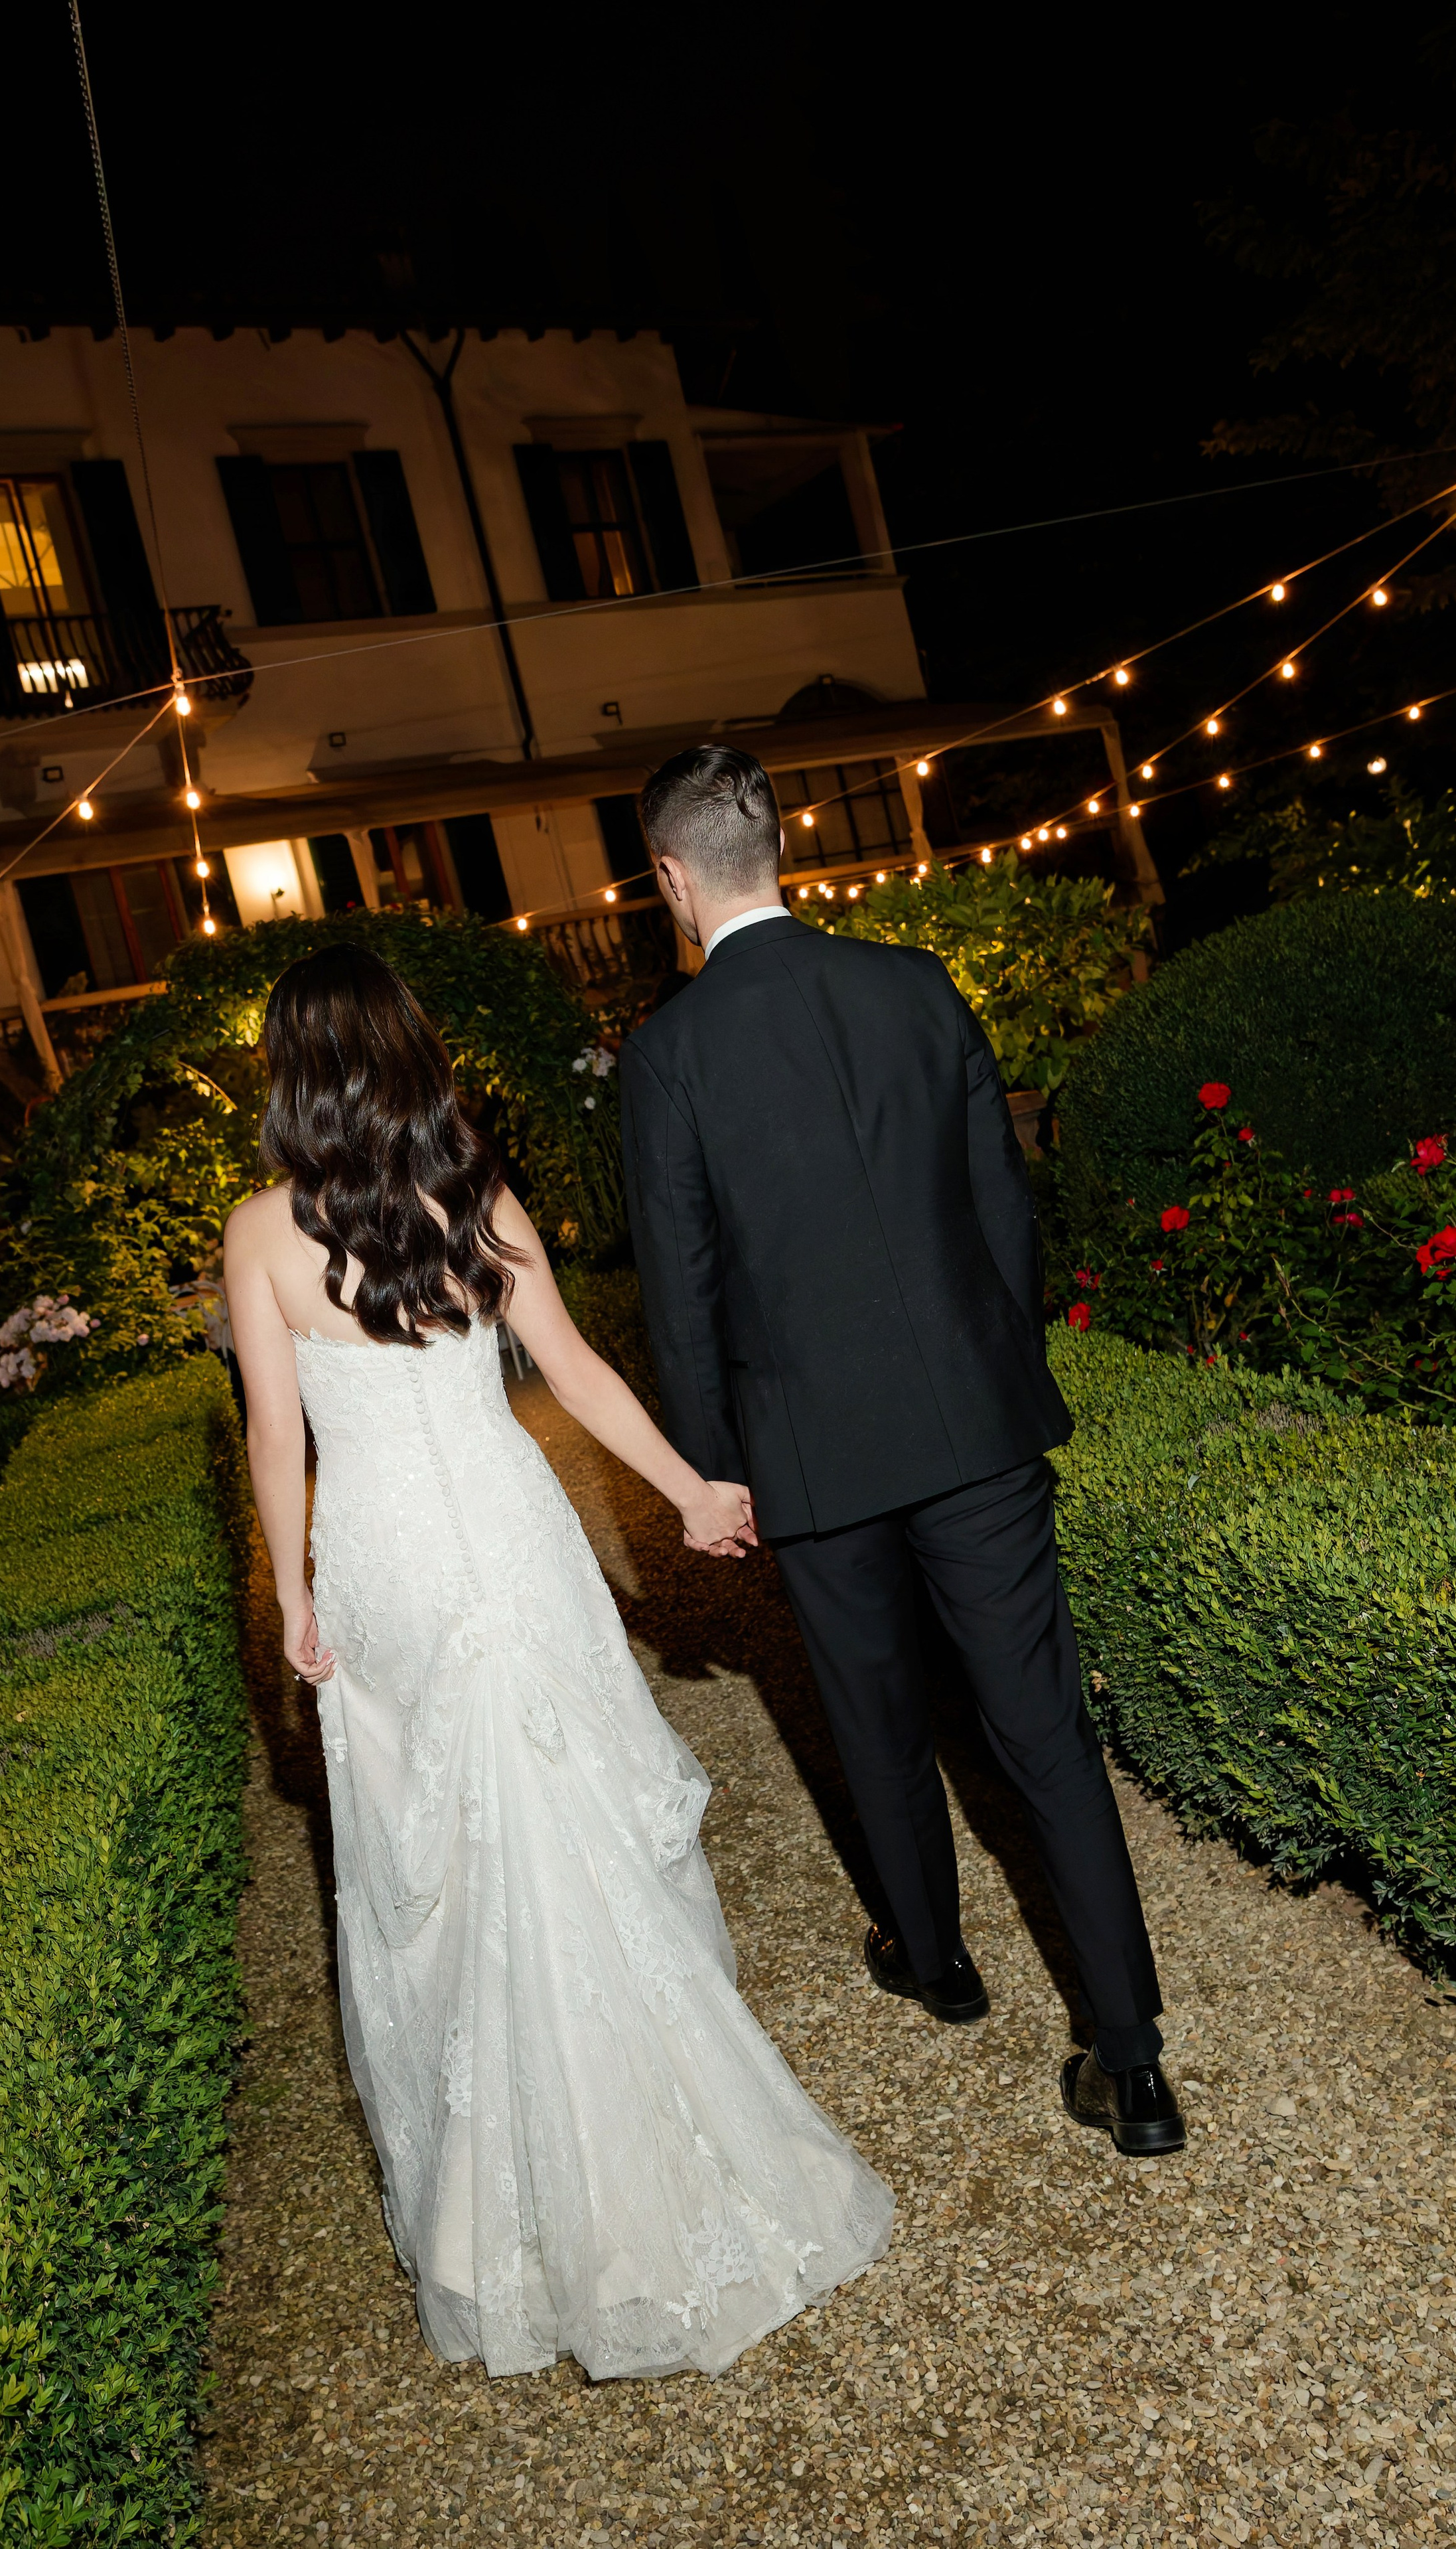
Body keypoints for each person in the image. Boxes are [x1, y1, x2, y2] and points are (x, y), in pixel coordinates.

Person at [223, 944, 893, 2381]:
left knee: (445, 1876)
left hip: (391, 1569)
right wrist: (687, 1486)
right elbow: (575, 1372)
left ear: (290, 1075)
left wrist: (289, 1591)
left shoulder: (260, 1236)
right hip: (515, 1550)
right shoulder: (469, 1193)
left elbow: (276, 1442)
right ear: (409, 1055)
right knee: (570, 1831)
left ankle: (508, 2218)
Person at [619, 745, 1184, 2161]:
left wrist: (709, 1470)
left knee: (872, 1718)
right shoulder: (914, 986)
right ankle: (1132, 2062)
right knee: (1041, 1730)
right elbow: (1003, 1210)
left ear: (673, 878)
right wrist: (996, 1372)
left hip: (807, 1452)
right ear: (778, 852)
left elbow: (678, 1291)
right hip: (971, 1425)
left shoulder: (668, 1056)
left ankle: (934, 1964)